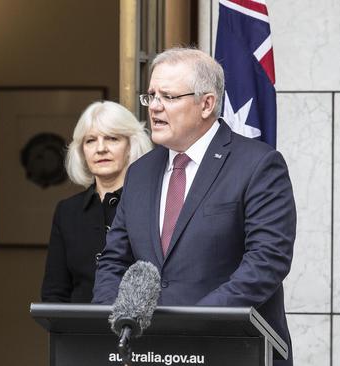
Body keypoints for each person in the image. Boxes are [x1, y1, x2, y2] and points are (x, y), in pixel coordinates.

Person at [92, 48, 296, 366]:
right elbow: (114, 261)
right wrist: (109, 318)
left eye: (169, 97)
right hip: (149, 352)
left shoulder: (257, 165)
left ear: (206, 104)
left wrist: (194, 322)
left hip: (230, 349)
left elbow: (267, 261)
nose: (155, 107)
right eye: (151, 96)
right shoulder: (140, 172)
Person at [41, 101, 151, 303]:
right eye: (90, 140)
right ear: (82, 151)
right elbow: (54, 294)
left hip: (140, 330)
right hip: (79, 332)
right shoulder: (67, 211)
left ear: (130, 145)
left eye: (112, 138)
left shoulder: (153, 203)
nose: (101, 149)